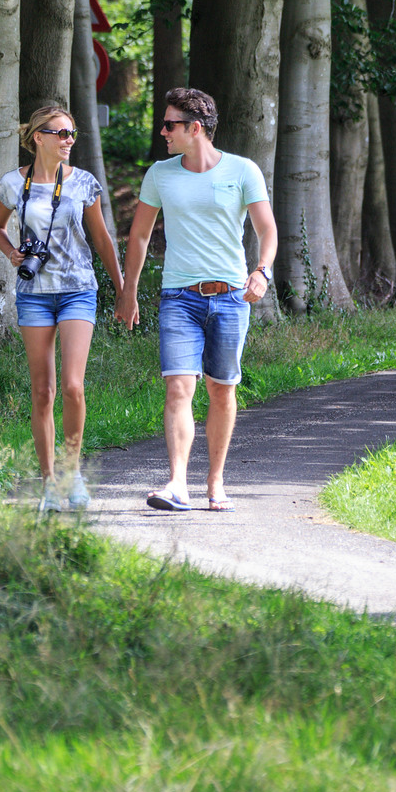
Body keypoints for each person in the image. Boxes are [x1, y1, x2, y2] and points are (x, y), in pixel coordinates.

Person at [114, 87, 277, 511]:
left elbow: (267, 230)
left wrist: (261, 271)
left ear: (195, 128)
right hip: (178, 298)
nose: (163, 131)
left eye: (170, 124)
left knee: (221, 391)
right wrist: (128, 292)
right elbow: (140, 236)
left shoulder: (243, 171)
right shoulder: (160, 174)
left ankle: (216, 482)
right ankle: (177, 484)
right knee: (179, 388)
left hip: (230, 298)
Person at [0, 105, 124, 512]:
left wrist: (123, 290)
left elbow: (101, 238)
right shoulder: (12, 184)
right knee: (43, 391)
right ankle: (48, 484)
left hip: (78, 289)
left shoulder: (83, 183)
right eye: (60, 133)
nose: (68, 140)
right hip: (34, 294)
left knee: (72, 386)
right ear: (38, 137)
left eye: (72, 133)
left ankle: (72, 473)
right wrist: (12, 252)